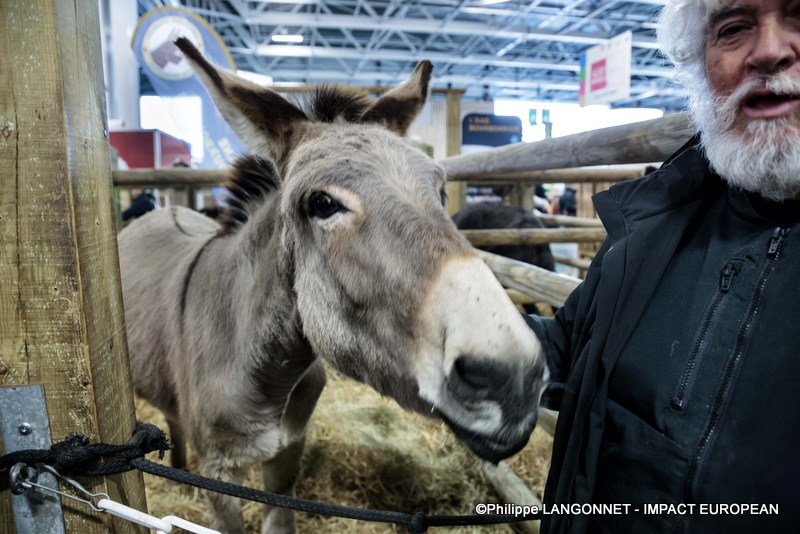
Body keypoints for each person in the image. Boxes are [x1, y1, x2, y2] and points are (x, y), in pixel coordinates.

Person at [524, 1, 800, 532]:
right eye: (734, 28)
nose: (767, 51)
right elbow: (568, 348)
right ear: (701, 64)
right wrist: (434, 315)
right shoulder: (655, 221)